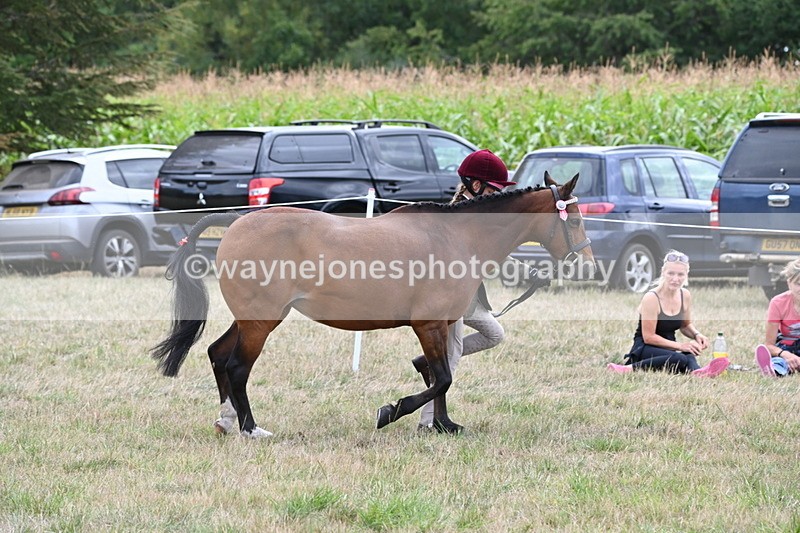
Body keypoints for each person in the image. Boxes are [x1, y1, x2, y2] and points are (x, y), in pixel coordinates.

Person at [411, 149, 516, 432]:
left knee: (494, 334)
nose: (497, 195)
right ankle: (427, 421)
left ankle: (427, 363)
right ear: (476, 185)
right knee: (453, 352)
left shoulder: (478, 214)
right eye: (494, 189)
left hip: (466, 294)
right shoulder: (463, 216)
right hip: (452, 292)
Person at [607, 250, 729, 377]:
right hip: (645, 348)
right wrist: (681, 346)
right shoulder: (652, 298)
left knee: (688, 354)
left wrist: (697, 335)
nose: (675, 279)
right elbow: (649, 337)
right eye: (671, 273)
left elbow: (685, 325)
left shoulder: (685, 295)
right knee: (680, 358)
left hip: (669, 349)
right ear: (663, 273)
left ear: (686, 275)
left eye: (680, 274)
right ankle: (627, 368)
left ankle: (698, 373)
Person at [755, 258, 800, 377]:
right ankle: (772, 369)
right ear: (789, 282)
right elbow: (769, 345)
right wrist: (786, 355)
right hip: (786, 347)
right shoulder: (778, 303)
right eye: (798, 284)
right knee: (779, 362)